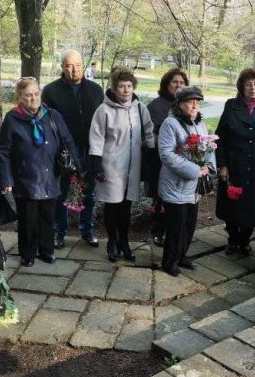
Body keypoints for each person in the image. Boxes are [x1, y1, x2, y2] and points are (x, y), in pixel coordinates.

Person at [0, 77, 82, 267]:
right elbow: (3, 151)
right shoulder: (12, 118)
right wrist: (6, 179)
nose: (33, 98)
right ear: (20, 97)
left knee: (47, 216)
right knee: (28, 219)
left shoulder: (52, 115)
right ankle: (28, 253)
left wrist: (78, 167)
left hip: (49, 175)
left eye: (36, 94)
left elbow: (67, 140)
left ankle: (46, 250)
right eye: (28, 95)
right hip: (25, 176)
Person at [88, 67, 154, 262]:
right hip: (111, 165)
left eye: (129, 86)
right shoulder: (104, 110)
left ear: (133, 87)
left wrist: (151, 154)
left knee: (126, 206)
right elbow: (96, 137)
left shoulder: (140, 109)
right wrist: (96, 164)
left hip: (133, 166)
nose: (126, 90)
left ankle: (124, 241)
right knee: (112, 206)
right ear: (114, 88)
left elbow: (149, 132)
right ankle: (112, 242)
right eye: (121, 86)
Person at [42, 49, 105, 249]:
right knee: (61, 194)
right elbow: (46, 122)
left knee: (89, 194)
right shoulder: (51, 91)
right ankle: (58, 232)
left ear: (83, 66)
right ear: (62, 67)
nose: (74, 70)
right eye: (69, 66)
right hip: (63, 153)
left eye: (77, 65)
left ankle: (87, 231)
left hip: (90, 150)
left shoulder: (95, 90)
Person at [215, 67, 255, 255]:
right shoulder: (231, 105)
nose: (253, 88)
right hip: (234, 164)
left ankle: (245, 240)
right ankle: (232, 239)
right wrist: (223, 165)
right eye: (248, 84)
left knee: (253, 205)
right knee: (232, 204)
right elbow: (220, 137)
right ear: (241, 87)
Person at [157, 86, 215, 277]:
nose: (194, 106)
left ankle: (181, 256)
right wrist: (195, 170)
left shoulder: (200, 124)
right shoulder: (170, 124)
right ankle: (169, 261)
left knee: (189, 224)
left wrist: (209, 167)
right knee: (176, 227)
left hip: (193, 188)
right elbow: (166, 154)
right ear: (179, 104)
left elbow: (209, 147)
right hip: (176, 186)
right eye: (190, 102)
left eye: (197, 102)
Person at [146, 68, 189, 246]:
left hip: (184, 160)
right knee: (161, 198)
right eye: (174, 82)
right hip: (161, 161)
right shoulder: (156, 106)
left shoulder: (187, 104)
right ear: (166, 84)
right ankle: (158, 231)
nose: (178, 85)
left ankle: (176, 232)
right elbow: (149, 134)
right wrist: (169, 145)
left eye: (182, 82)